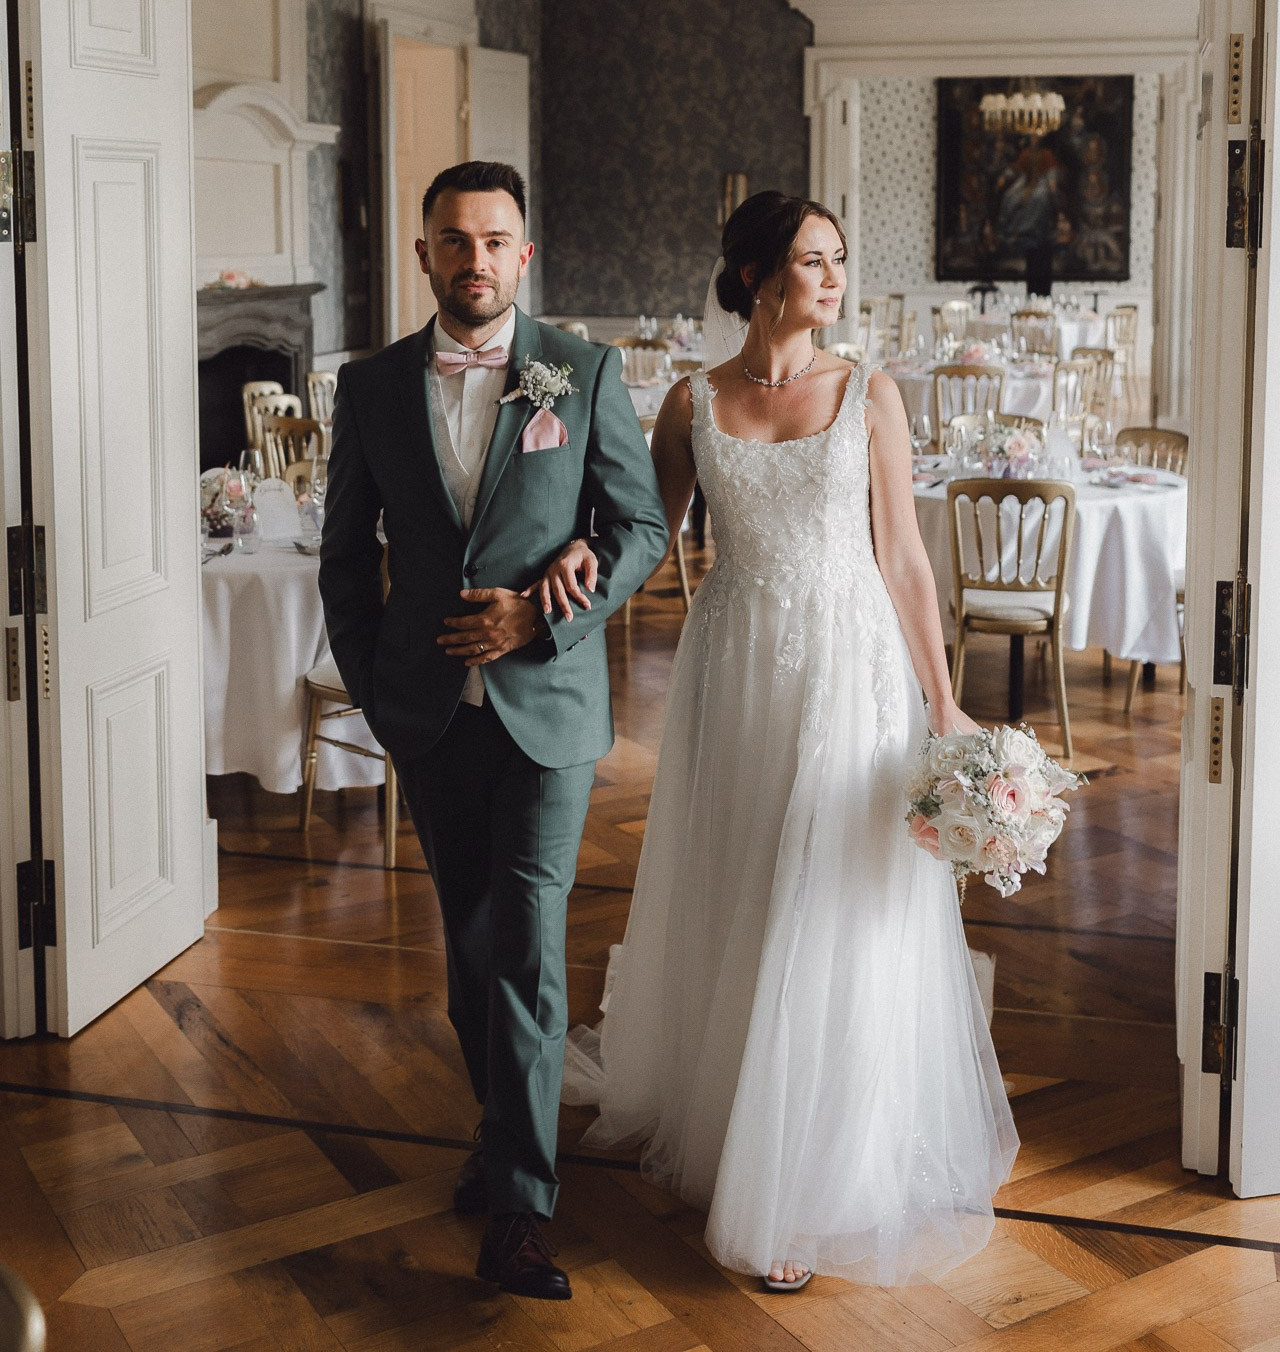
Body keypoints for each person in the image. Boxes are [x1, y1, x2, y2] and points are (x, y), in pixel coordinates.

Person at [543, 191, 1018, 1292]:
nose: (836, 277)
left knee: (832, 892)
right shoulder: (690, 402)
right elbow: (644, 535)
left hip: (852, 666)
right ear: (759, 275)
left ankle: (815, 1171)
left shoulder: (869, 393)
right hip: (733, 664)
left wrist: (943, 702)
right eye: (815, 260)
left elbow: (903, 557)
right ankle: (732, 1122)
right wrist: (571, 560)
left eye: (839, 258)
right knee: (746, 878)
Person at [318, 160, 668, 1303]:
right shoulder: (370, 386)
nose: (475, 260)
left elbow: (640, 527)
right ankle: (501, 1133)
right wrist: (379, 692)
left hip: (546, 706)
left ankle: (520, 1208)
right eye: (454, 241)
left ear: (524, 253)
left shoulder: (580, 368)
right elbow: (343, 557)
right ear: (425, 253)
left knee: (525, 945)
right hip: (428, 714)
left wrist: (546, 611)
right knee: (469, 957)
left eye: (494, 240)